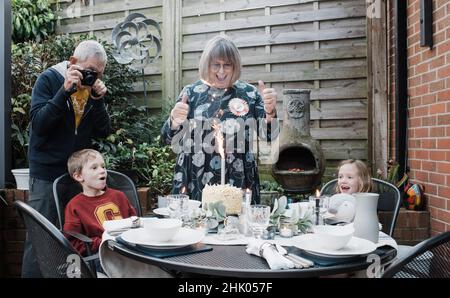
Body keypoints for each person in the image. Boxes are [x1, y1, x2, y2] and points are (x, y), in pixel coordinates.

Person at [22, 40, 111, 277]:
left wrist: (98, 100)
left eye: (99, 74)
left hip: (77, 174)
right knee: (41, 237)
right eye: (90, 71)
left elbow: (103, 131)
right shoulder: (49, 79)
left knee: (74, 237)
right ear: (73, 62)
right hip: (46, 172)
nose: (93, 77)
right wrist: (64, 91)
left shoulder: (91, 90)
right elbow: (39, 125)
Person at [161, 35, 279, 203]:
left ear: (235, 66)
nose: (221, 71)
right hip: (195, 179)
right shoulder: (191, 93)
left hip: (239, 179)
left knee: (237, 227)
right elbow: (167, 139)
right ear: (206, 65)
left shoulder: (250, 94)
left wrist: (270, 113)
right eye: (216, 65)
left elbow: (269, 137)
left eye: (227, 65)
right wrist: (174, 120)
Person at [63, 149, 137, 256]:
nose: (102, 171)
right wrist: (103, 242)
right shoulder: (74, 206)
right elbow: (73, 242)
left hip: (130, 249)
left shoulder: (118, 196)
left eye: (103, 166)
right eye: (94, 168)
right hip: (101, 255)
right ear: (79, 176)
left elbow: (135, 222)